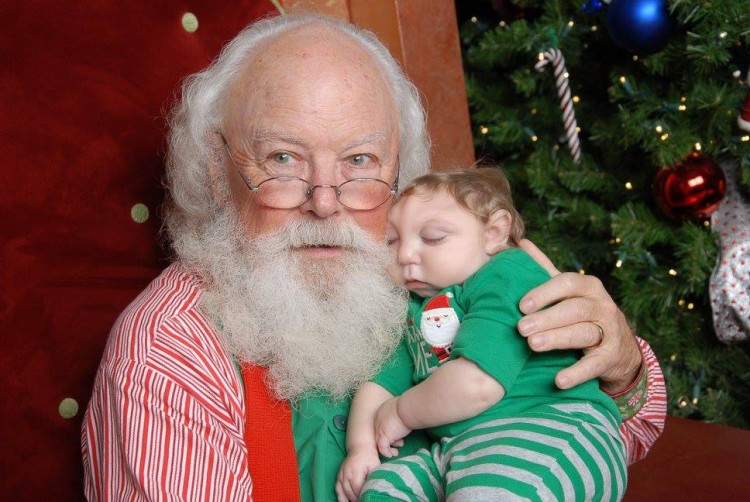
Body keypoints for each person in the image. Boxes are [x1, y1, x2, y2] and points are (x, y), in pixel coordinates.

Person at [81, 12, 665, 501]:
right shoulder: (165, 356)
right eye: (283, 159)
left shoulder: (423, 271)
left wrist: (621, 370)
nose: (326, 204)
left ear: (401, 172)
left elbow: (603, 435)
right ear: (217, 171)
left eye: (359, 162)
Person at [337, 168, 627, 501]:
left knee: (491, 492)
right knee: (385, 488)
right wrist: (360, 448)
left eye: (432, 237)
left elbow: (477, 385)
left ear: (493, 233)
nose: (404, 255)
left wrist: (402, 412)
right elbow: (378, 385)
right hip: (462, 446)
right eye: (392, 241)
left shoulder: (506, 275)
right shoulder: (411, 312)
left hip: (551, 426)